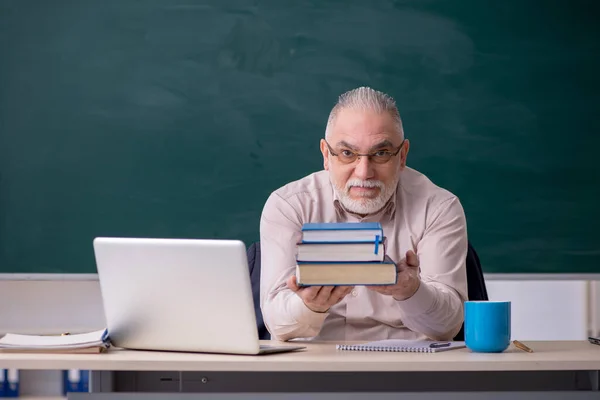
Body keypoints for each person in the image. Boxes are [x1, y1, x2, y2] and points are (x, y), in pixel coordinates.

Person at [259, 87, 468, 342]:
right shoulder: (288, 205)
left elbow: (447, 327)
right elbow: (277, 325)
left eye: (380, 154)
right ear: (326, 155)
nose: (364, 172)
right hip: (313, 369)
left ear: (402, 156)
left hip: (408, 369)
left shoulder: (439, 208)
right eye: (347, 154)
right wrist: (311, 305)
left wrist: (411, 291)